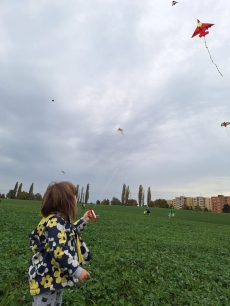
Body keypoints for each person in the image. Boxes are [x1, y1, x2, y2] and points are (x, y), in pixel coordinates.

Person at [28, 181, 92, 306]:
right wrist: (77, 271)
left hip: (54, 278)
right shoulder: (55, 223)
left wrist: (84, 220)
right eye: (74, 197)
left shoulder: (58, 222)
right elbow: (58, 252)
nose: (77, 200)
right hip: (46, 280)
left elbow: (70, 232)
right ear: (66, 202)